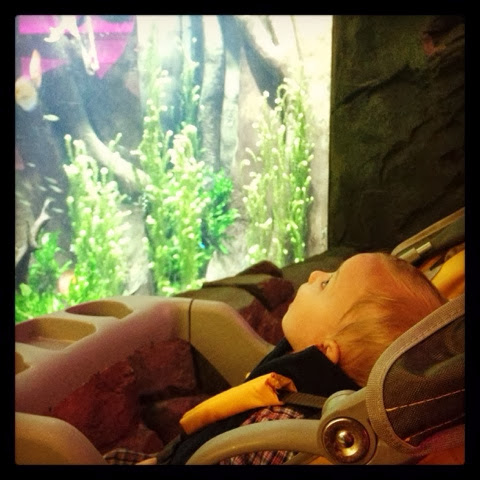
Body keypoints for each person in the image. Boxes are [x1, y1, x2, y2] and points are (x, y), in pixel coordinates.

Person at [105, 252, 447, 465]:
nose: (314, 275)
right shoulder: (306, 385)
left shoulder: (283, 432)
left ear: (326, 350)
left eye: (327, 284)